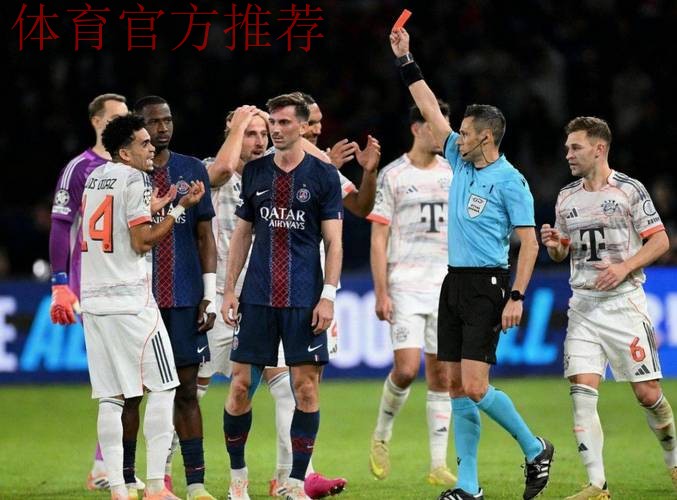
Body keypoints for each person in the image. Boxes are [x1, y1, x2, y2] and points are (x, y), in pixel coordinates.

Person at [389, 27, 554, 500]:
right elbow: (428, 108)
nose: (454, 137)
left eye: (463, 132)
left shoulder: (511, 181)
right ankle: (468, 486)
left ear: (485, 138)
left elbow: (529, 244)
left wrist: (516, 295)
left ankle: (535, 446)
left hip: (488, 285)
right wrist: (406, 60)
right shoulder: (460, 161)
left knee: (478, 387)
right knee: (457, 388)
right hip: (453, 284)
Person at [541, 116, 677, 499]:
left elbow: (660, 241)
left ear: (599, 148)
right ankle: (597, 485)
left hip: (624, 305)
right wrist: (555, 245)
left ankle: (673, 458)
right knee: (581, 391)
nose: (568, 154)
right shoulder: (566, 197)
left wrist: (624, 267)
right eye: (567, 148)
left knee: (647, 394)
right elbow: (562, 252)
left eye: (576, 147)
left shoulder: (629, 190)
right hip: (583, 306)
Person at [221, 92, 347, 500]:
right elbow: (243, 233)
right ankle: (238, 480)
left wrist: (328, 295)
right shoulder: (256, 172)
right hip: (257, 297)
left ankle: (293, 483)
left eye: (284, 123)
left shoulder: (323, 175)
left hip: (303, 299)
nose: (275, 130)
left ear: (303, 126)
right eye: (272, 123)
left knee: (305, 389)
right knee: (240, 386)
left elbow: (334, 241)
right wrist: (230, 289)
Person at [80, 113, 205, 500]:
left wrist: (151, 209)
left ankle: (119, 489)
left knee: (111, 396)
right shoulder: (136, 179)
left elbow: (115, 225)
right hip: (132, 302)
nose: (152, 148)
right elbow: (141, 242)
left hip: (95, 301)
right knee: (165, 387)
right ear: (124, 152)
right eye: (144, 143)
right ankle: (154, 486)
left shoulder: (95, 178)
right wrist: (179, 208)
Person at [48, 93, 144, 494]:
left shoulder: (137, 166)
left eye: (127, 116)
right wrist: (60, 284)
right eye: (114, 117)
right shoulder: (80, 168)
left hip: (133, 286)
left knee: (133, 380)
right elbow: (60, 225)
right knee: (121, 381)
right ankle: (107, 467)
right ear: (96, 122)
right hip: (95, 289)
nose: (121, 122)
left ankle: (110, 465)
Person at [133, 96, 217, 500]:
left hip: (183, 297)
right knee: (133, 395)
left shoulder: (192, 169)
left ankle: (196, 484)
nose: (163, 127)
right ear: (139, 127)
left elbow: (205, 236)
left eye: (167, 119)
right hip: (138, 300)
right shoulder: (128, 176)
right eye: (154, 122)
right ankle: (131, 478)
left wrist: (209, 293)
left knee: (186, 392)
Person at [367, 103, 455, 486]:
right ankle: (381, 434)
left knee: (441, 374)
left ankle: (438, 464)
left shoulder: (453, 173)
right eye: (436, 125)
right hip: (405, 284)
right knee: (405, 369)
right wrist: (381, 291)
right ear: (417, 128)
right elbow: (378, 237)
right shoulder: (394, 175)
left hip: (445, 285)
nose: (444, 133)